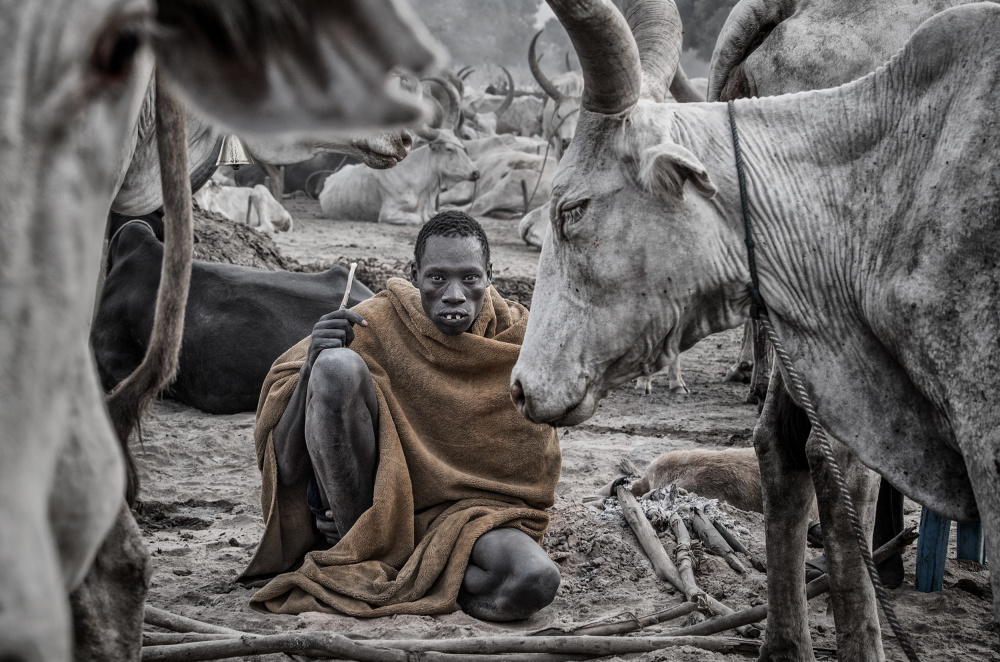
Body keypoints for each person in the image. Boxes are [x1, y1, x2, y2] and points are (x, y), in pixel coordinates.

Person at [241, 211, 562, 621]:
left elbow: (532, 467)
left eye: (469, 278)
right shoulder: (374, 323)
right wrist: (311, 366)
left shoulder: (518, 339)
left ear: (489, 276)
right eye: (437, 278)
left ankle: (416, 575)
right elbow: (285, 466)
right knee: (337, 366)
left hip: (470, 517)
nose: (453, 294)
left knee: (535, 580)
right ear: (415, 275)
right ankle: (365, 549)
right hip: (379, 510)